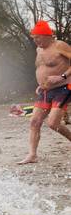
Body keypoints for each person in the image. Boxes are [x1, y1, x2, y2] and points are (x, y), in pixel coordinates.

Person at [17, 20, 71, 164]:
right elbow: (42, 69)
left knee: (53, 123)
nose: (35, 41)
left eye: (38, 38)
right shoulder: (39, 50)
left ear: (48, 36)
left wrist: (62, 76)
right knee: (34, 121)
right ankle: (32, 154)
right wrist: (41, 84)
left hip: (63, 88)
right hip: (45, 90)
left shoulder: (59, 45)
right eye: (34, 39)